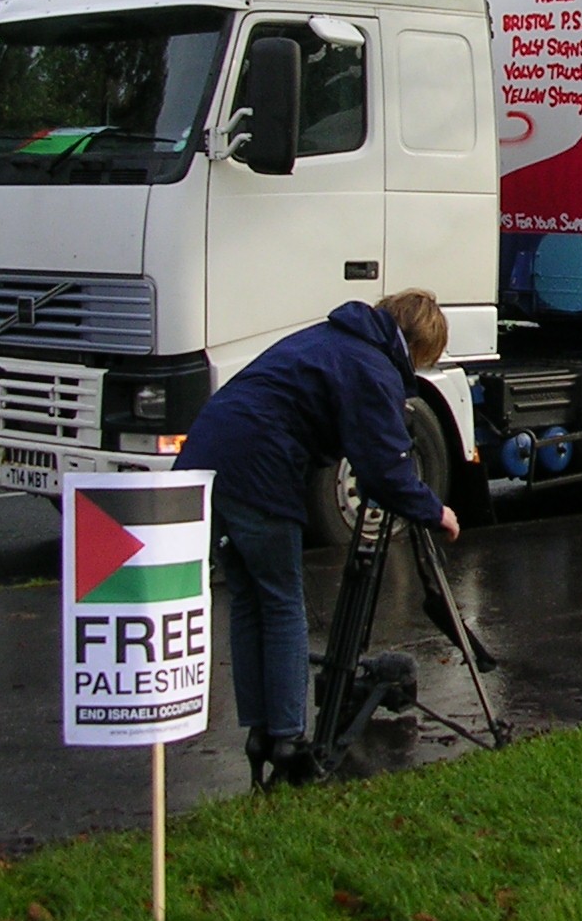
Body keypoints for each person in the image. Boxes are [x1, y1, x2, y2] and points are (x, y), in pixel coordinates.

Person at [176, 290, 460, 788]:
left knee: (250, 601)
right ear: (417, 346)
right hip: (258, 468)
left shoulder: (332, 339)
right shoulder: (371, 366)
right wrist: (435, 511)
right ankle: (289, 740)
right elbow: (385, 467)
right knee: (283, 603)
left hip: (209, 459)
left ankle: (260, 732)